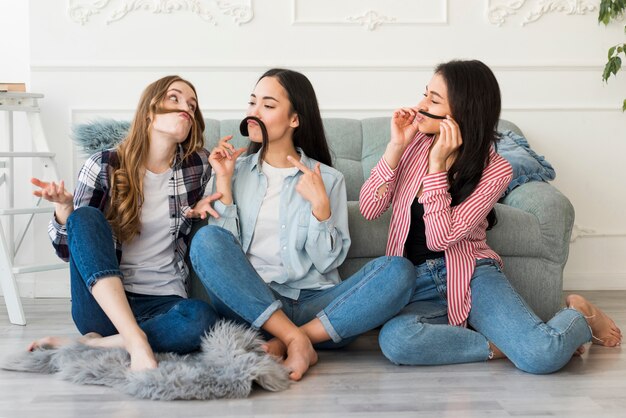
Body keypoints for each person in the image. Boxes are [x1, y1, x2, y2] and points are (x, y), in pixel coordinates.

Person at [359, 59, 622, 374]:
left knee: (541, 356)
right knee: (397, 341)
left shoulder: (495, 168)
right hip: (415, 281)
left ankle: (580, 314)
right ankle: (500, 347)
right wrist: (395, 146)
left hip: (471, 276)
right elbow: (370, 208)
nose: (420, 106)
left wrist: (437, 167)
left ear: (462, 112)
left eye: (433, 100)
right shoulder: (413, 143)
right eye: (424, 94)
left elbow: (440, 238)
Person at [189, 68, 416, 381]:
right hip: (254, 306)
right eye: (252, 103)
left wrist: (321, 208)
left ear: (294, 119)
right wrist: (225, 183)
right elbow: (227, 258)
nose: (254, 113)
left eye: (267, 106)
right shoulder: (231, 171)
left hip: (316, 307)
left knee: (398, 270)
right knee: (207, 240)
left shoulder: (328, 179)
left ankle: (288, 340)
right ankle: (295, 339)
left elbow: (326, 262)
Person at [29, 75, 225, 371]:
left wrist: (206, 196)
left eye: (192, 104)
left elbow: (223, 216)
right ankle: (134, 340)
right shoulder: (103, 164)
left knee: (201, 319)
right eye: (175, 98)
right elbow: (69, 252)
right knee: (84, 216)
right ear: (149, 111)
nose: (186, 107)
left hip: (164, 301)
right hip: (102, 306)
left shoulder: (198, 166)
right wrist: (64, 211)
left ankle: (99, 344)